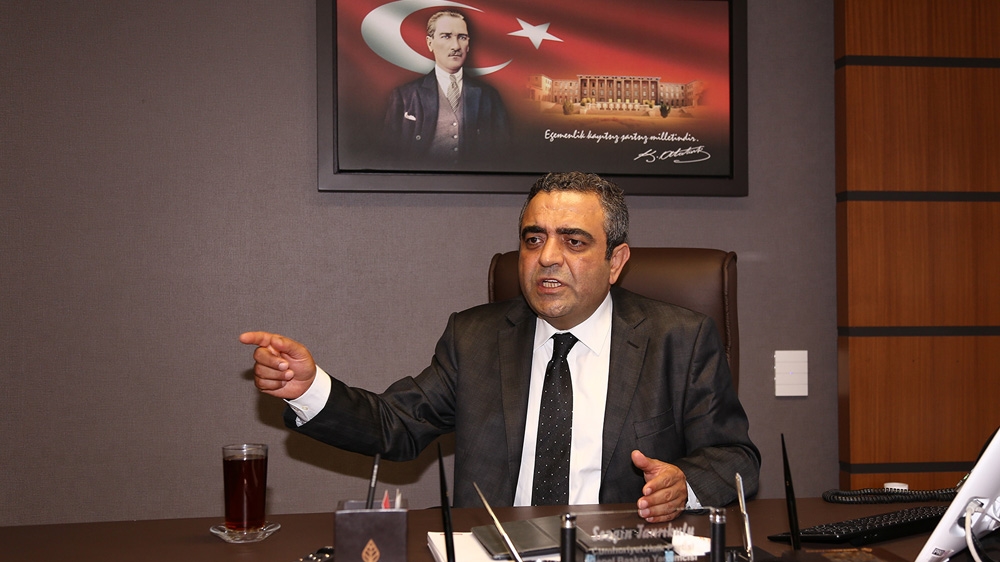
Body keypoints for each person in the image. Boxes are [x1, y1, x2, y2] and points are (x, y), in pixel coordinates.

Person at [241, 172, 759, 522]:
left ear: (616, 261)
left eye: (574, 241)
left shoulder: (679, 339)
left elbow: (736, 457)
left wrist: (683, 485)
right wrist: (308, 389)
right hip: (496, 550)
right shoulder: (475, 338)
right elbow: (394, 425)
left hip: (619, 550)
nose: (547, 257)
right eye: (533, 239)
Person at [381, 10, 510, 167]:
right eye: (446, 36)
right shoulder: (404, 95)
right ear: (430, 43)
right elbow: (389, 156)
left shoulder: (489, 96)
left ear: (468, 45)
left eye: (462, 37)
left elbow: (502, 156)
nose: (456, 46)